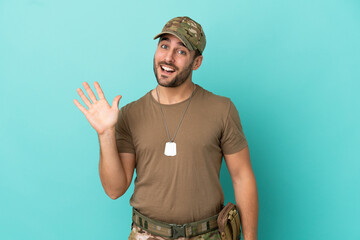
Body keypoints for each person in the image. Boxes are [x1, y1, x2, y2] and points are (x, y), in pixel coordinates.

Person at [74, 16, 258, 240]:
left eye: (181, 51)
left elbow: (242, 177)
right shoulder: (131, 113)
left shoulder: (222, 109)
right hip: (146, 234)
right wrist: (105, 134)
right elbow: (114, 189)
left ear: (197, 62)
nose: (168, 58)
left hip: (206, 235)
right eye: (164, 46)